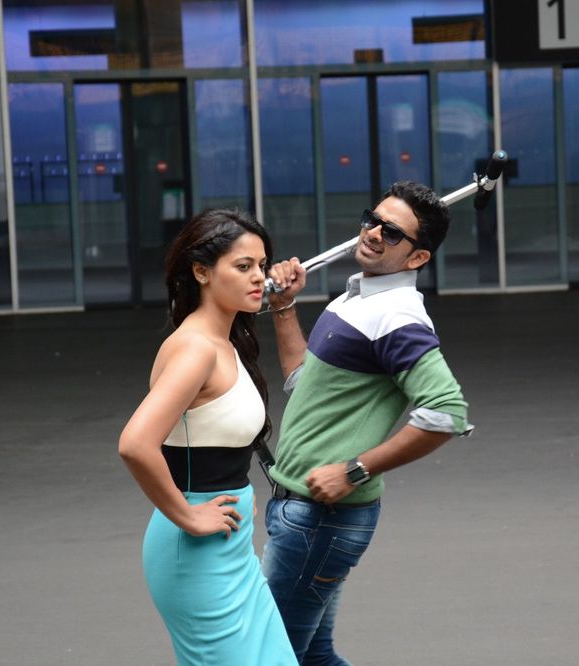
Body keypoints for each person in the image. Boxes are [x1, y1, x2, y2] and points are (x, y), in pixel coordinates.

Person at [262, 181, 473, 664]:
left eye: (392, 232)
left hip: (321, 522)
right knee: (313, 657)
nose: (374, 233)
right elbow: (302, 381)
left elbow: (447, 412)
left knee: (271, 656)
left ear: (418, 258)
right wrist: (284, 307)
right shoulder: (356, 299)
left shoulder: (398, 316)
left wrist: (354, 470)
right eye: (372, 220)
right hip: (306, 515)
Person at [118, 208, 295, 666]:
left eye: (261, 265)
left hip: (230, 547)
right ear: (201, 272)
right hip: (196, 554)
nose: (258, 277)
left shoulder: (223, 342)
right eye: (243, 266)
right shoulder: (196, 348)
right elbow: (135, 444)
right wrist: (189, 517)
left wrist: (285, 306)